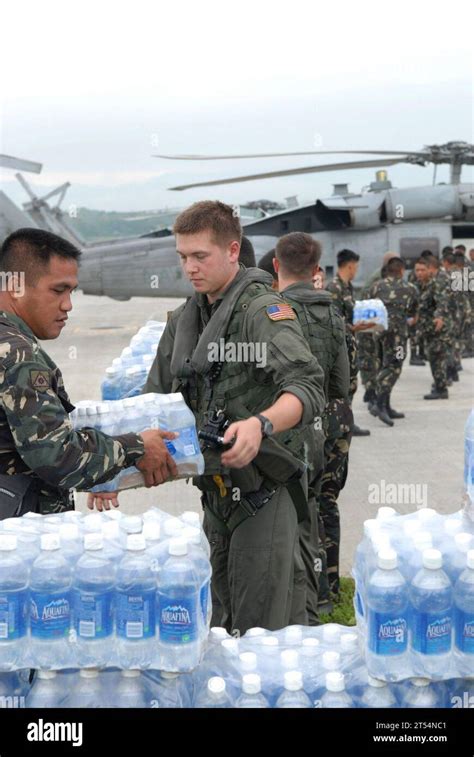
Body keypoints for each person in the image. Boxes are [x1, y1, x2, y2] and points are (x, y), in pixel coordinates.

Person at [142, 201, 326, 634]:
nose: (189, 268)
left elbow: (308, 385)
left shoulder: (262, 311)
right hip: (217, 491)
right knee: (221, 622)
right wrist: (115, 468)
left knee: (262, 628)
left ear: (232, 250)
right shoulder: (188, 318)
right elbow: (153, 400)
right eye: (183, 257)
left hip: (264, 490)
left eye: (200, 256)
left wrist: (261, 424)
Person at [0, 228, 177, 518]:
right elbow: (57, 457)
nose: (68, 305)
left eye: (71, 291)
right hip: (16, 538)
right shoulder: (17, 356)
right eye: (58, 290)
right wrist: (137, 447)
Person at [274, 233, 350, 612]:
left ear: (276, 265)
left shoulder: (270, 312)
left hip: (287, 431)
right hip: (329, 428)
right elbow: (341, 385)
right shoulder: (333, 313)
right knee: (324, 503)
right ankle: (326, 590)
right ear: (316, 270)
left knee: (289, 512)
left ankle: (296, 596)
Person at [326, 249, 371, 436]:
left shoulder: (347, 286)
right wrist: (353, 328)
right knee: (343, 386)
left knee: (351, 385)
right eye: (356, 267)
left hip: (350, 344)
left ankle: (347, 423)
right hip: (340, 346)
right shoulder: (334, 288)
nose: (356, 271)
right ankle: (341, 423)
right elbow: (333, 321)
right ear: (350, 265)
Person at [368, 258, 418, 425]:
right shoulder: (410, 288)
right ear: (402, 270)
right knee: (394, 367)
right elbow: (412, 312)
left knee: (384, 365)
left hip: (379, 333)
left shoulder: (375, 286)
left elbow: (369, 307)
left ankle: (386, 405)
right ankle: (379, 403)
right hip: (398, 337)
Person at [416, 256, 452, 399]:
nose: (419, 273)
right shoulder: (419, 286)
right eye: (417, 270)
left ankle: (441, 389)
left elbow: (441, 302)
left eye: (422, 270)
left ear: (429, 270)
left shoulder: (435, 285)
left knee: (437, 359)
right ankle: (439, 385)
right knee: (433, 359)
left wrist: (439, 317)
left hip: (437, 330)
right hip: (427, 330)